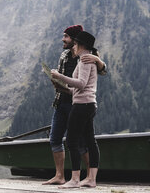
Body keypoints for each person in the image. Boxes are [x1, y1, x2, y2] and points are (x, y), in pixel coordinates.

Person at [42, 25, 106, 185]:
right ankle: (77, 177)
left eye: (67, 37)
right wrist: (60, 84)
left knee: (77, 141)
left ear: (77, 41)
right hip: (65, 100)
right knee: (62, 139)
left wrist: (61, 77)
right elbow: (79, 85)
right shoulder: (67, 56)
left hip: (80, 104)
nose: (63, 40)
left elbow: (86, 81)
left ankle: (79, 178)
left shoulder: (86, 59)